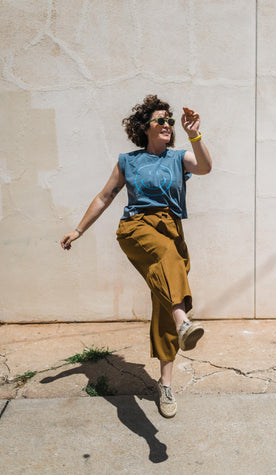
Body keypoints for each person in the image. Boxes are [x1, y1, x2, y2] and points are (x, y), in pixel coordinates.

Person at [60, 94, 212, 418]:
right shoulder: (128, 161)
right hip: (137, 229)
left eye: (171, 121)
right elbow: (104, 197)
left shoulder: (178, 158)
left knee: (164, 301)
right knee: (169, 264)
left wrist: (195, 133)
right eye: (162, 120)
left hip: (171, 231)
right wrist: (79, 230)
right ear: (145, 127)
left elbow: (205, 167)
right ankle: (183, 321)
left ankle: (166, 383)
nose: (168, 125)